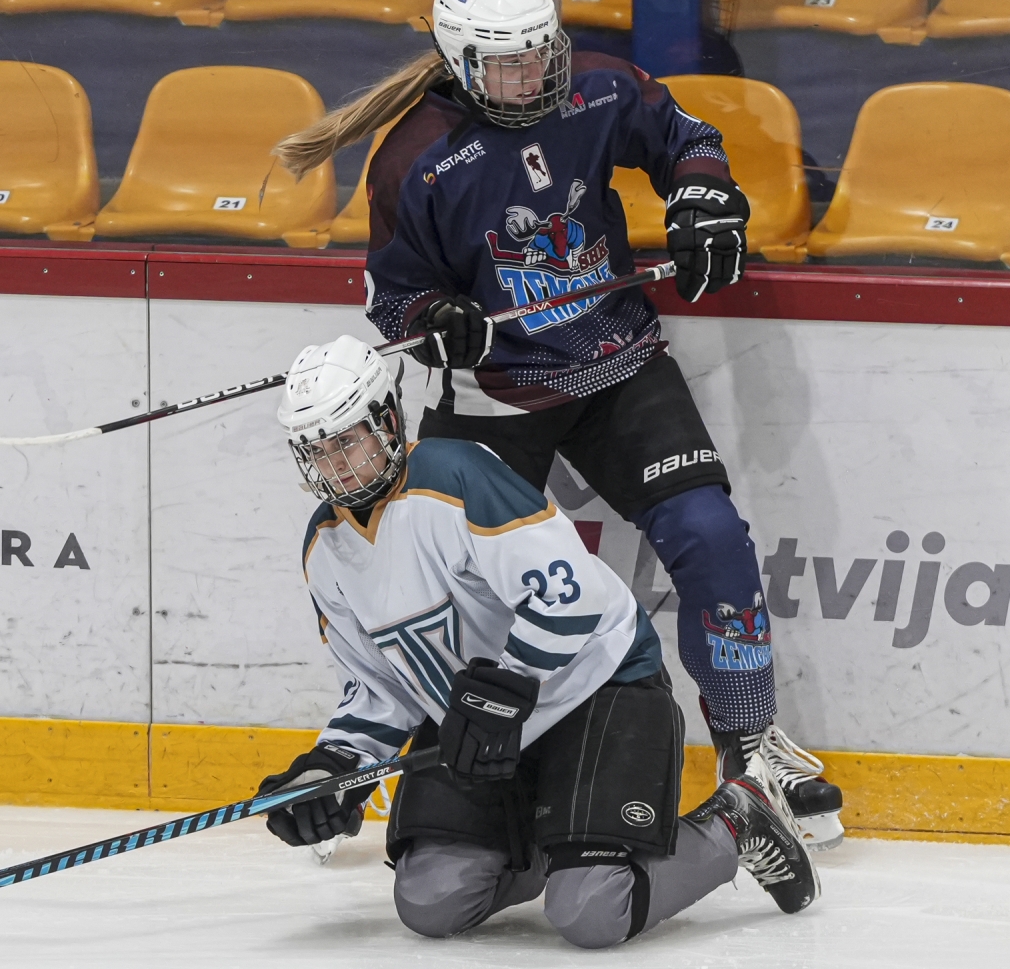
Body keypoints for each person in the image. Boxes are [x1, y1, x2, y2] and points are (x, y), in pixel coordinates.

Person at [275, 0, 842, 848]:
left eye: (542, 53)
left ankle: (752, 748)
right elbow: (394, 297)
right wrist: (437, 321)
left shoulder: (594, 90)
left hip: (616, 362)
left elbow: (683, 134)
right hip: (494, 395)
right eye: (510, 64)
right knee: (442, 582)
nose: (535, 75)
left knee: (709, 534)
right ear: (463, 64)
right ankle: (406, 762)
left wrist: (703, 198)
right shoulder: (415, 162)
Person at [258, 335, 819, 947]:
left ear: (387, 420)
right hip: (484, 730)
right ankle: (555, 845)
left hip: (597, 687)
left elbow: (572, 598)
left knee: (593, 911)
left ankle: (741, 819)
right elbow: (378, 689)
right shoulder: (324, 549)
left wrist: (503, 689)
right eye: (318, 451)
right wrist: (334, 768)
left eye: (347, 441)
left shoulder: (456, 475)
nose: (336, 465)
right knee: (431, 902)